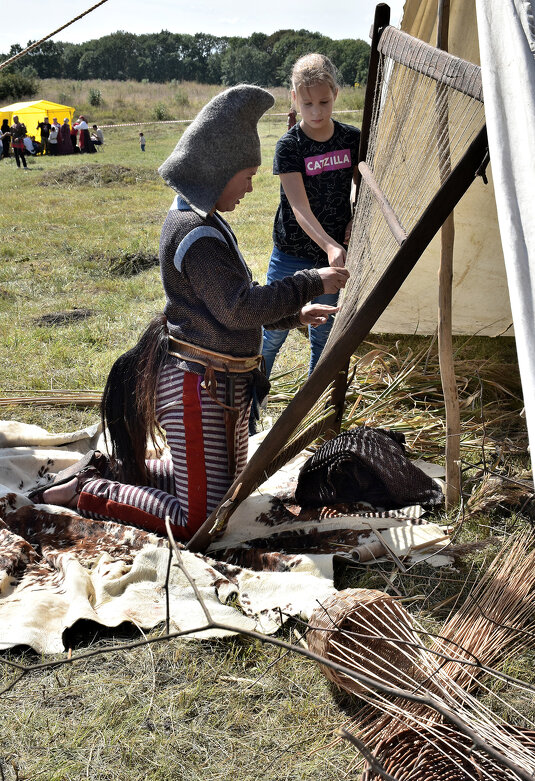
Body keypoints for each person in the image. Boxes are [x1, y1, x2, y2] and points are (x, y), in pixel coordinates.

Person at [30, 84, 349, 543]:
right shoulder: (195, 235)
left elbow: (233, 301)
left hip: (222, 386)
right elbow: (239, 308)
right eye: (247, 175)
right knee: (197, 521)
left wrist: (294, 315)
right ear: (218, 171)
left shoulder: (206, 221)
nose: (251, 186)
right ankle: (89, 489)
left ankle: (122, 468)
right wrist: (310, 280)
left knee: (223, 496)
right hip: (197, 389)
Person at [261, 53, 360, 380]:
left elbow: (365, 187)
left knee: (322, 332)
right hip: (291, 254)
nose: (316, 112)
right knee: (273, 331)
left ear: (335, 94)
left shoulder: (352, 139)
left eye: (323, 102)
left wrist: (355, 218)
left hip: (332, 256)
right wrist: (332, 246)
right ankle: (249, 403)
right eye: (307, 104)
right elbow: (299, 208)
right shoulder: (290, 146)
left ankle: (312, 409)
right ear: (294, 98)